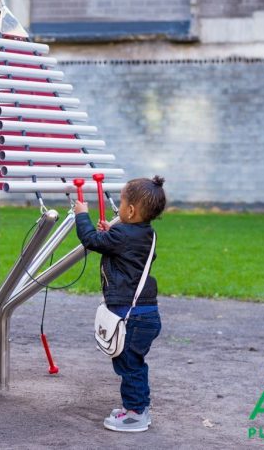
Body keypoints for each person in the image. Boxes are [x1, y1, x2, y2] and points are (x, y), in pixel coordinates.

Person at [74, 176, 166, 432]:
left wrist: (81, 215)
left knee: (129, 366)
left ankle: (136, 414)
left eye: (122, 202)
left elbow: (91, 241)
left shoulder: (123, 235)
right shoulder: (145, 233)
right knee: (132, 363)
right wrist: (111, 233)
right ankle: (137, 408)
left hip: (132, 315)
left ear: (131, 210)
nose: (120, 207)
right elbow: (117, 245)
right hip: (144, 313)